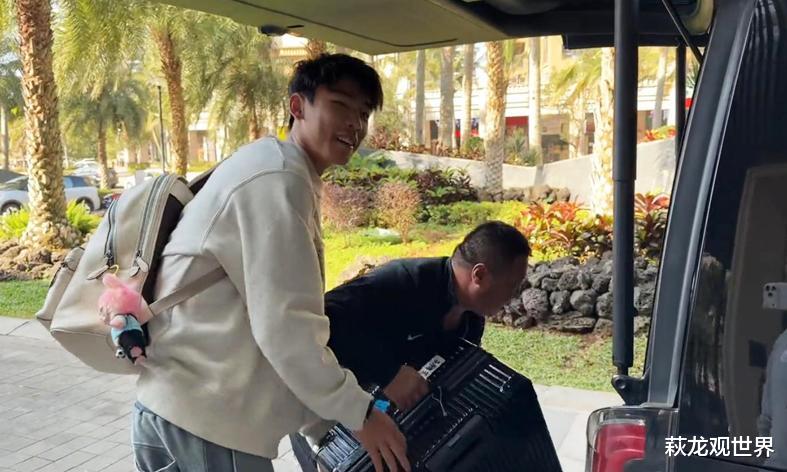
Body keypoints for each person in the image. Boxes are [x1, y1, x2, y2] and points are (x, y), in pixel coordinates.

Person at [131, 54, 409, 472]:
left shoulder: (272, 166)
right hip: (211, 424)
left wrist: (321, 423)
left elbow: (267, 318)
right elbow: (286, 326)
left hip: (175, 409)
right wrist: (360, 414)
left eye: (364, 113)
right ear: (298, 107)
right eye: (340, 105)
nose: (354, 123)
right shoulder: (279, 178)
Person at [291, 221, 531, 471]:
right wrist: (388, 373)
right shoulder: (402, 281)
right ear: (478, 275)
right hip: (327, 421)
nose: (512, 297)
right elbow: (319, 322)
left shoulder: (471, 322)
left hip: (384, 421)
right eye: (511, 286)